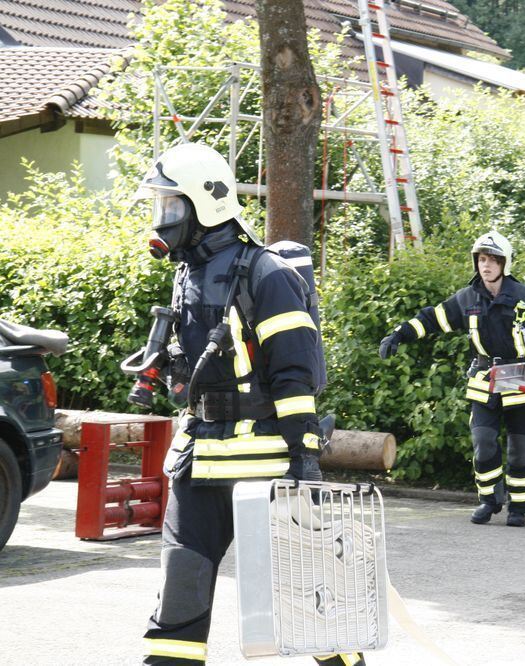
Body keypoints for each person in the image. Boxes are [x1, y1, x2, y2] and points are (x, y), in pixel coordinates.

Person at [136, 143, 361, 666]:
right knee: (179, 602)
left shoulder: (268, 274)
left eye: (171, 206)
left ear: (204, 205)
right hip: (197, 463)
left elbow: (294, 373)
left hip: (266, 470)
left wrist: (304, 459)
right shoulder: (188, 271)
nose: (162, 219)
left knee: (307, 601)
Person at [378, 231, 525, 527]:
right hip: (484, 380)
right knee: (484, 443)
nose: (485, 266)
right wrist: (400, 334)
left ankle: (518, 506)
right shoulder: (467, 298)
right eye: (481, 259)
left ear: (505, 263)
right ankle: (490, 500)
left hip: (519, 382)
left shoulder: (524, 297)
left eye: (492, 260)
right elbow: (432, 318)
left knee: (520, 450)